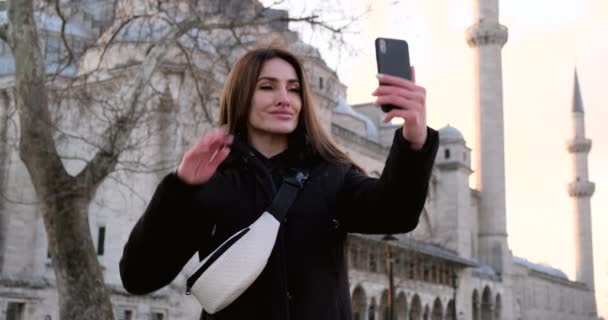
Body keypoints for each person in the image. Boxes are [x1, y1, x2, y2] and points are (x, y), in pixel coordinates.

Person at [119, 47, 439, 320]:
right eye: (268, 87)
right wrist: (179, 187)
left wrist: (414, 140)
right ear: (242, 96)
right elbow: (139, 277)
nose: (285, 99)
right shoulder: (214, 181)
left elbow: (396, 213)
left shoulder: (331, 175)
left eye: (294, 89)